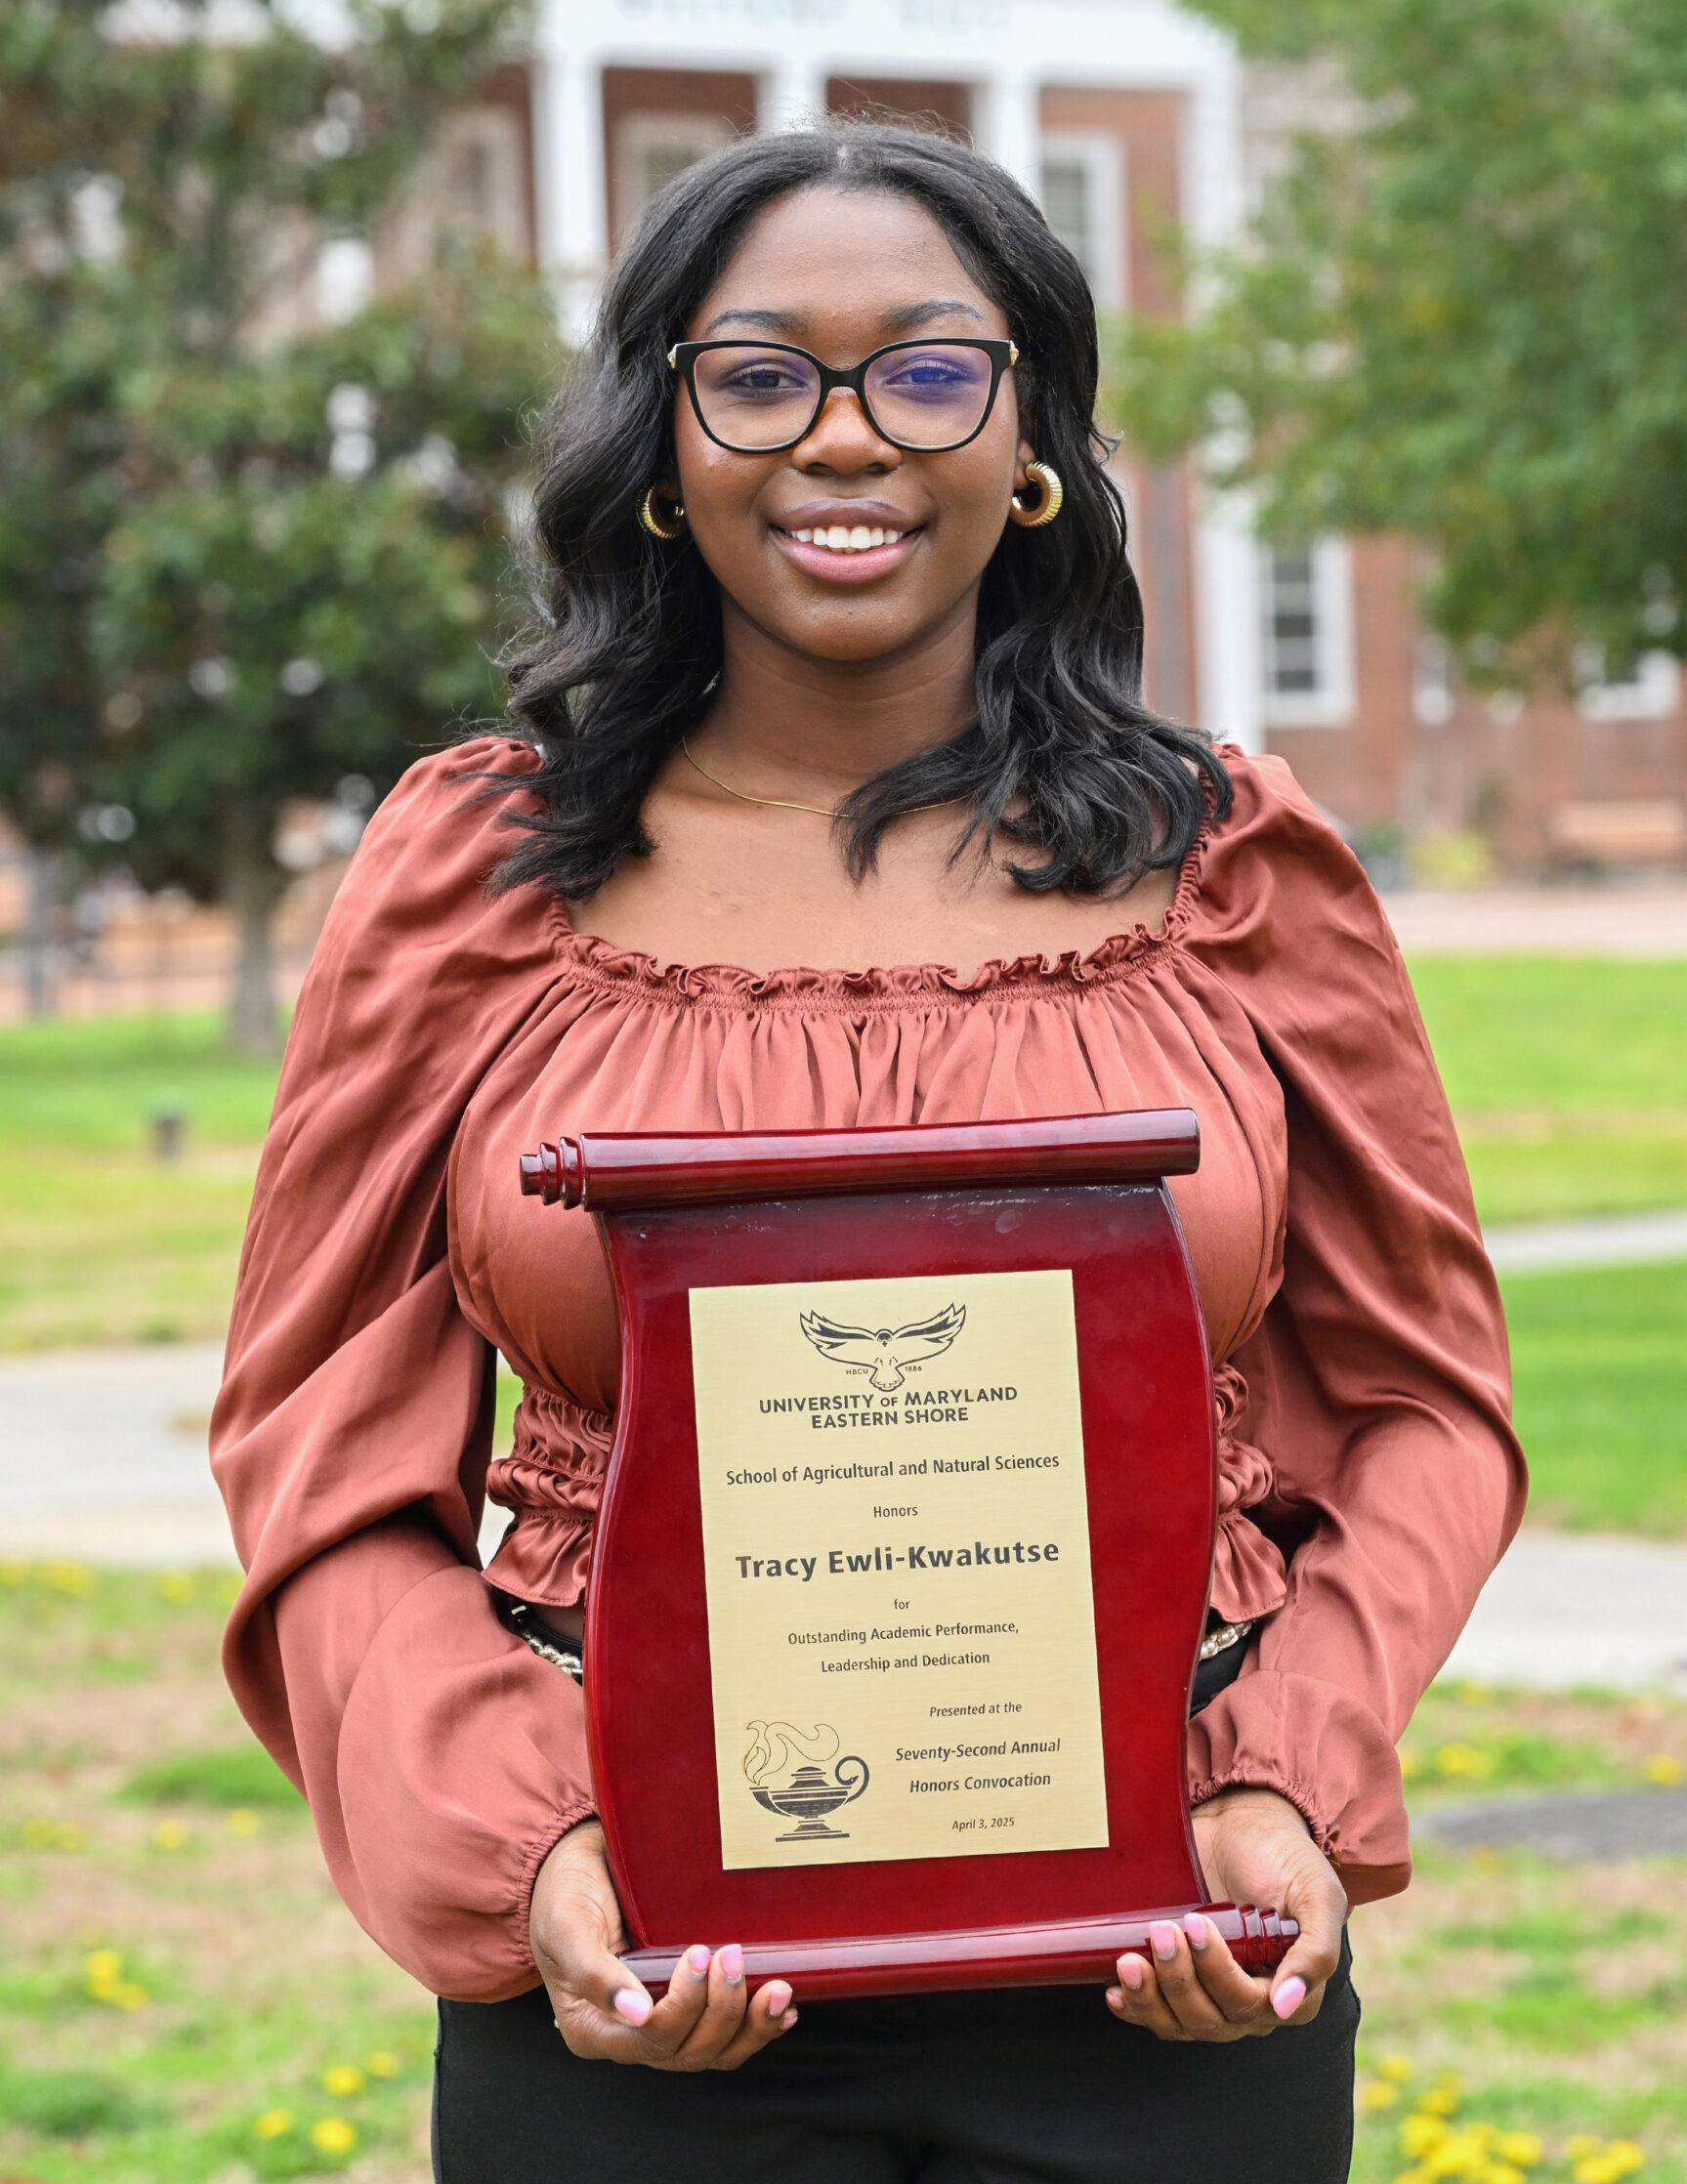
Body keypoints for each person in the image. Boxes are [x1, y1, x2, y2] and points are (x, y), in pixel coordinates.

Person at [211, 124, 1523, 2184]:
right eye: (761, 375)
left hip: (1172, 1936)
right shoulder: (474, 872)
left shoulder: (1237, 866)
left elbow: (1428, 1399)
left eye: (926, 370)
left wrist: (1293, 1774)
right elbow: (315, 1442)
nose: (845, 437)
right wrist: (526, 1834)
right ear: (664, 436)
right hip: (638, 1960)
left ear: (1028, 442)